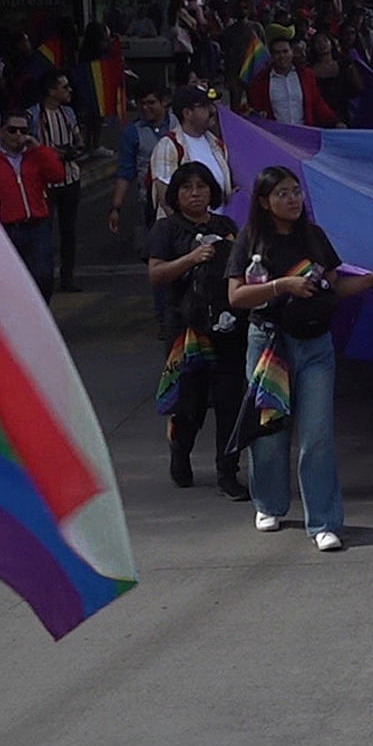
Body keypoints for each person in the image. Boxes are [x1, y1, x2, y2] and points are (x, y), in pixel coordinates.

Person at [225, 166, 373, 551]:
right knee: (270, 432)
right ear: (263, 201)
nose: (292, 200)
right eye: (282, 194)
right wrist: (280, 286)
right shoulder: (250, 239)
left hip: (315, 346)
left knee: (317, 435)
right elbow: (236, 297)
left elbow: (337, 286)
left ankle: (324, 521)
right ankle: (269, 503)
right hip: (269, 346)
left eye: (295, 192)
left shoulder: (313, 237)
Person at [148, 162, 249, 500]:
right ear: (176, 194)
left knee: (229, 399)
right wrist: (192, 259)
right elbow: (157, 274)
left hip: (229, 325)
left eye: (202, 186)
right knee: (189, 401)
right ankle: (181, 450)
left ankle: (228, 472)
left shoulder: (226, 225)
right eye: (188, 187)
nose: (196, 193)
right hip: (186, 328)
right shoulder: (167, 229)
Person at [0, 110, 65, 301]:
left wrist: (38, 149)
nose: (18, 135)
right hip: (6, 228)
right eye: (12, 130)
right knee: (10, 281)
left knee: (43, 276)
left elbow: (57, 174)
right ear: (2, 132)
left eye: (23, 130)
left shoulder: (35, 156)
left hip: (37, 226)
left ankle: (41, 314)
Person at [28, 70, 86, 293]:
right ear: (51, 91)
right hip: (44, 183)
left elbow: (78, 143)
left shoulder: (68, 113)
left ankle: (67, 277)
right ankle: (45, 276)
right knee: (45, 231)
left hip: (70, 178)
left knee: (69, 231)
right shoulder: (33, 116)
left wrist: (68, 152)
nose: (69, 91)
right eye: (64, 87)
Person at [110, 85, 178, 245]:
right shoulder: (132, 132)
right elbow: (125, 172)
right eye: (142, 104)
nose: (146, 108)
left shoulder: (180, 122)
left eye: (151, 103)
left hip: (182, 194)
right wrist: (116, 208)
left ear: (164, 102)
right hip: (150, 200)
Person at [150, 85, 233, 214]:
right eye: (204, 106)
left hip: (218, 228)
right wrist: (190, 231)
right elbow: (166, 199)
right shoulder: (169, 145)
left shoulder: (217, 144)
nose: (212, 110)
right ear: (187, 113)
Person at [248, 36, 339, 127]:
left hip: (303, 132)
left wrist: (335, 122)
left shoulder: (306, 75)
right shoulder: (261, 80)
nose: (282, 56)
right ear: (271, 55)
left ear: (292, 52)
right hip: (274, 135)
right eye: (277, 53)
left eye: (285, 51)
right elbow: (256, 108)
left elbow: (317, 103)